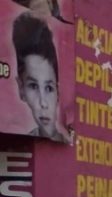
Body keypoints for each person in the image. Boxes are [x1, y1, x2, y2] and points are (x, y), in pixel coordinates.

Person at [12, 13, 67, 143]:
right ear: (21, 89)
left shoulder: (71, 144)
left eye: (49, 88)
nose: (43, 103)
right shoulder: (20, 144)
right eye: (33, 86)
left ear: (58, 92)